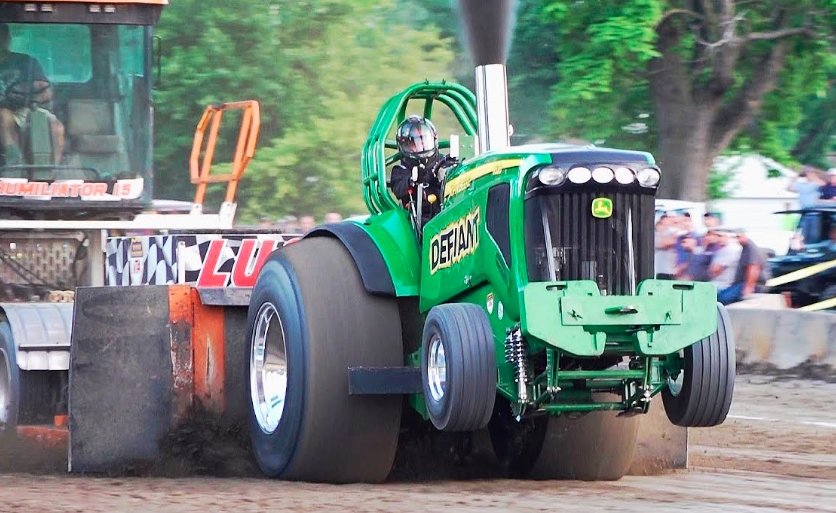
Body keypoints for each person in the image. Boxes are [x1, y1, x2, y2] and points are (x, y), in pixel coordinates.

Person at [0, 23, 64, 166]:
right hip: (4, 112)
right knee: (3, 115)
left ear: (8, 39)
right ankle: (15, 164)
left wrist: (30, 97)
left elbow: (46, 91)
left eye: (3, 36)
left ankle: (51, 171)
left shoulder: (26, 62)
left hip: (26, 109)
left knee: (55, 127)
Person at [389, 116, 455, 224]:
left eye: (423, 140)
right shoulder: (401, 170)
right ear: (404, 146)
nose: (421, 146)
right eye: (414, 143)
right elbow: (399, 188)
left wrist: (447, 173)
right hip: (421, 219)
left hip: (449, 211)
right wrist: (412, 180)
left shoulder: (443, 162)